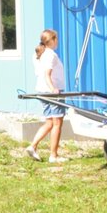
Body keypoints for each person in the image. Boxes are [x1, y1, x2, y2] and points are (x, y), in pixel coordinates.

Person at [26, 28, 68, 163]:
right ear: (52, 40)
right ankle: (53, 156)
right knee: (57, 123)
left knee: (49, 122)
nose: (58, 41)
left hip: (42, 90)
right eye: (56, 39)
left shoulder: (38, 53)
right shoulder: (50, 54)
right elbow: (47, 75)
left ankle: (32, 146)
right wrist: (53, 89)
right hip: (52, 92)